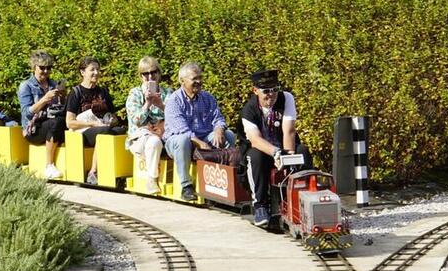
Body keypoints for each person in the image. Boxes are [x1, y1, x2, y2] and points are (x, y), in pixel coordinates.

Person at [239, 69, 311, 228]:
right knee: (255, 156)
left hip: (284, 145)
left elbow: (289, 130)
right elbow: (255, 140)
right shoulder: (248, 110)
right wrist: (276, 153)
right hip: (263, 150)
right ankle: (260, 206)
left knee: (303, 151)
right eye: (266, 91)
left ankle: (305, 198)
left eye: (274, 89)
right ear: (255, 90)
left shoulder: (286, 98)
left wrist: (289, 158)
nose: (271, 94)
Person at [163, 61, 235, 202]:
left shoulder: (208, 98)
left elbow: (218, 118)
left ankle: (226, 182)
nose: (198, 81)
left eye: (200, 78)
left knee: (229, 135)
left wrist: (219, 130)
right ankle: (186, 186)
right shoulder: (174, 101)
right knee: (183, 140)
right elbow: (182, 131)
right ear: (182, 81)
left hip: (204, 137)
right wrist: (200, 144)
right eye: (194, 79)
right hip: (178, 142)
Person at [65, 57, 124, 185]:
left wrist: (111, 120)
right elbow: (69, 122)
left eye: (98, 69)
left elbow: (113, 116)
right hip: (83, 130)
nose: (96, 73)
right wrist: (92, 124)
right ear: (82, 72)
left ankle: (116, 172)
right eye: (92, 70)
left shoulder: (103, 92)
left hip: (103, 126)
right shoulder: (75, 93)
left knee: (120, 130)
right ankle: (93, 172)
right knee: (105, 131)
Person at [125, 56, 173, 195]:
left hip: (164, 134)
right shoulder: (135, 93)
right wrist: (147, 104)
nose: (150, 76)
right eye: (145, 73)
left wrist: (161, 105)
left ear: (159, 73)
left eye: (153, 72)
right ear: (141, 76)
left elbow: (176, 118)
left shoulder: (168, 93)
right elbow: (137, 121)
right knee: (153, 141)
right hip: (140, 138)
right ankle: (152, 179)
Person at [19, 51, 67, 179]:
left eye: (49, 68)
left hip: (51, 123)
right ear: (34, 67)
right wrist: (45, 99)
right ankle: (49, 165)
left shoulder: (53, 84)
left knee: (65, 120)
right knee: (56, 123)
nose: (46, 71)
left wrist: (62, 98)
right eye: (42, 68)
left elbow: (60, 109)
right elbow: (26, 113)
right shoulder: (26, 86)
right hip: (33, 129)